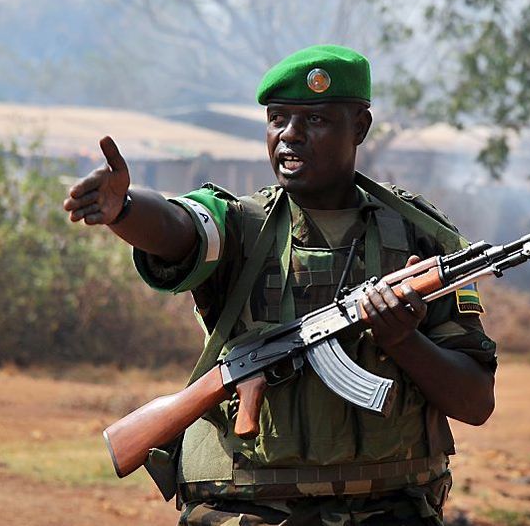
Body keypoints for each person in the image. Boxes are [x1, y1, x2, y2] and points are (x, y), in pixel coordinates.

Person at [63, 45, 497, 526]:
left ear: (360, 127)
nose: (290, 136)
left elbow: (475, 402)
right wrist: (126, 210)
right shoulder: (241, 226)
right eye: (277, 118)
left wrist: (402, 340)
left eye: (315, 121)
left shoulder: (422, 238)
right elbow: (179, 227)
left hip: (389, 509)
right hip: (245, 511)